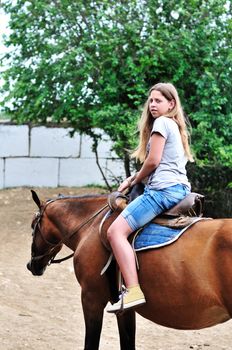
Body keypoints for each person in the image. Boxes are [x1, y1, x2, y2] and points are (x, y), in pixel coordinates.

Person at [106, 82, 194, 313]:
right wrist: (134, 177)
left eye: (159, 101)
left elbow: (153, 161)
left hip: (162, 191)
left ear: (171, 104)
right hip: (179, 189)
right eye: (151, 100)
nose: (153, 105)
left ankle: (133, 291)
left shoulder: (162, 123)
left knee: (115, 232)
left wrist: (134, 180)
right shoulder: (175, 126)